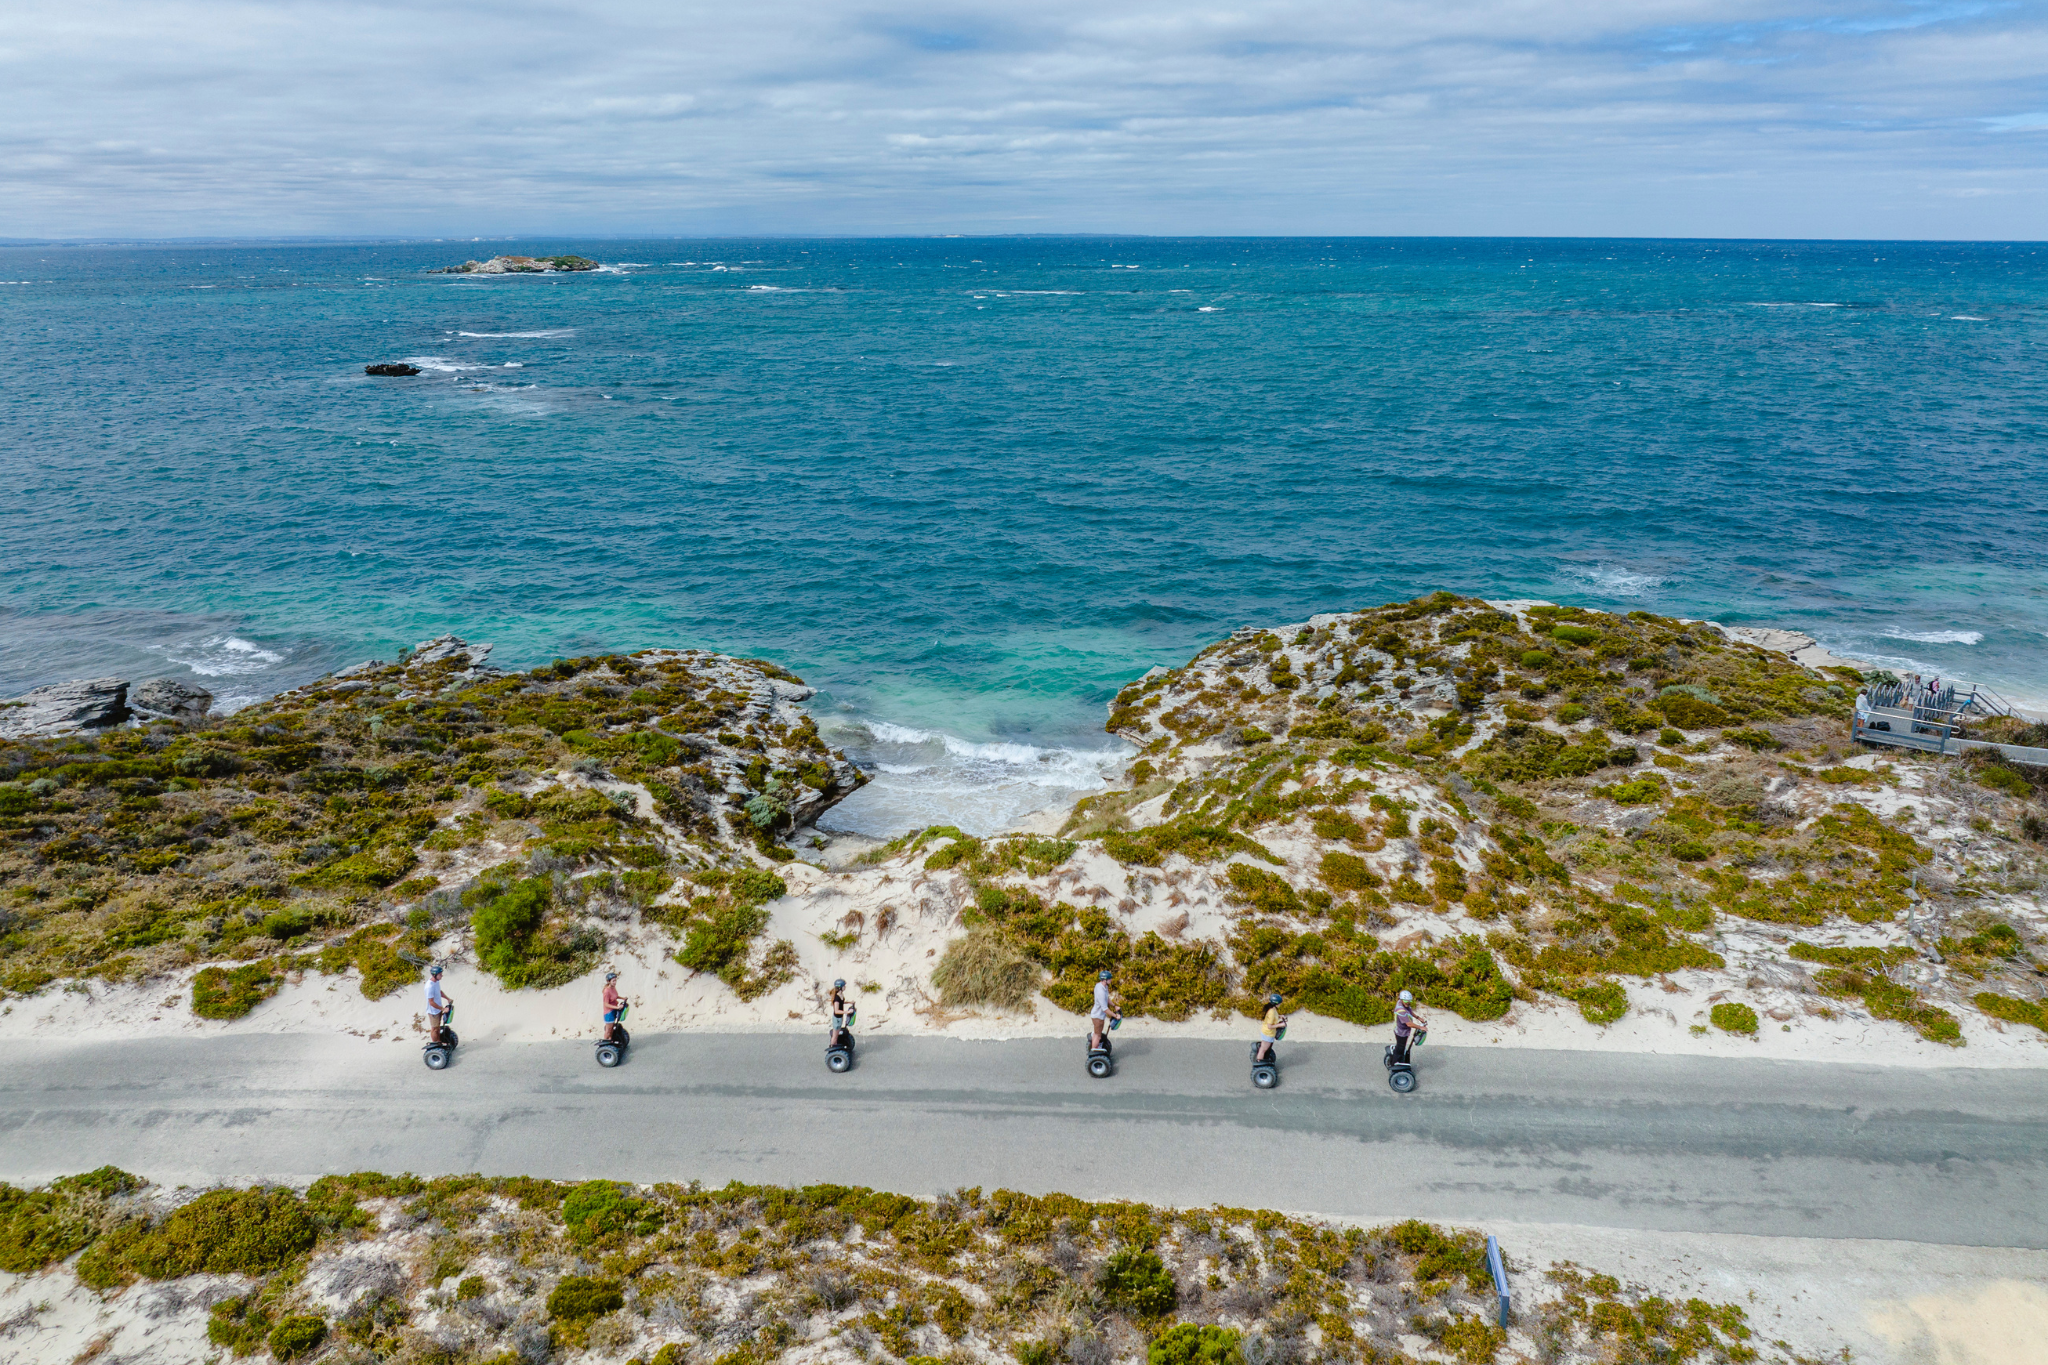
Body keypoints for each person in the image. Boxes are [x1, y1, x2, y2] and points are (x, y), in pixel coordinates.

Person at [1392, 989, 1428, 1066]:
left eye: (1409, 1001)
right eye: (1406, 1001)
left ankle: (1399, 1058)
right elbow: (1409, 1024)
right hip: (1401, 1032)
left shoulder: (1403, 1004)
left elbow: (1409, 1011)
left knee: (1401, 1046)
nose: (1407, 1003)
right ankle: (1394, 1064)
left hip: (1402, 1031)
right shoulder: (1401, 1010)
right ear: (1401, 999)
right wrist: (1420, 1027)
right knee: (1400, 1048)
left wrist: (1418, 1018)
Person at [1089, 969, 1121, 1050]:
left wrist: (1114, 1006)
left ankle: (1095, 1044)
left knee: (1098, 1033)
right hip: (1098, 1016)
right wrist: (1115, 1015)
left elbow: (1106, 999)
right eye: (1109, 979)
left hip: (1099, 1016)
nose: (1111, 980)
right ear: (1105, 980)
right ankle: (1094, 1051)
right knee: (1098, 1035)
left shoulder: (1103, 986)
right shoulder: (1101, 992)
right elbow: (1105, 1009)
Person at [425, 964, 452, 1045]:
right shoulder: (429, 987)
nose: (441, 976)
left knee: (438, 1027)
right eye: (440, 974)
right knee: (434, 1028)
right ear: (435, 975)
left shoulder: (436, 982)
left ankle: (439, 1041)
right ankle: (435, 1044)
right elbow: (431, 1002)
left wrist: (448, 998)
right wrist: (443, 1009)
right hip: (433, 1011)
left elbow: (439, 992)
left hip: (438, 1009)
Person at [1256, 992, 1286, 1063]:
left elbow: (1272, 1017)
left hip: (1270, 1033)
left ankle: (1263, 1059)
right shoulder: (1272, 1012)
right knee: (1263, 1049)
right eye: (1279, 1003)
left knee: (1266, 1048)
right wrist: (1280, 1025)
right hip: (1268, 1033)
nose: (1280, 1004)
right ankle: (1259, 1063)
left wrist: (1280, 1016)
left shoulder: (1273, 1009)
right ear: (1276, 1003)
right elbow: (1269, 1026)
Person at [602, 970, 627, 1042]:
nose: (615, 982)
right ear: (609, 981)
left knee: (612, 1027)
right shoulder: (606, 991)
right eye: (613, 981)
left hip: (614, 1010)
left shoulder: (613, 987)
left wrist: (622, 998)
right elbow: (606, 1004)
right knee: (608, 1030)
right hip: (609, 1012)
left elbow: (615, 996)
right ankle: (605, 1043)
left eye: (615, 980)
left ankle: (610, 1040)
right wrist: (617, 1007)